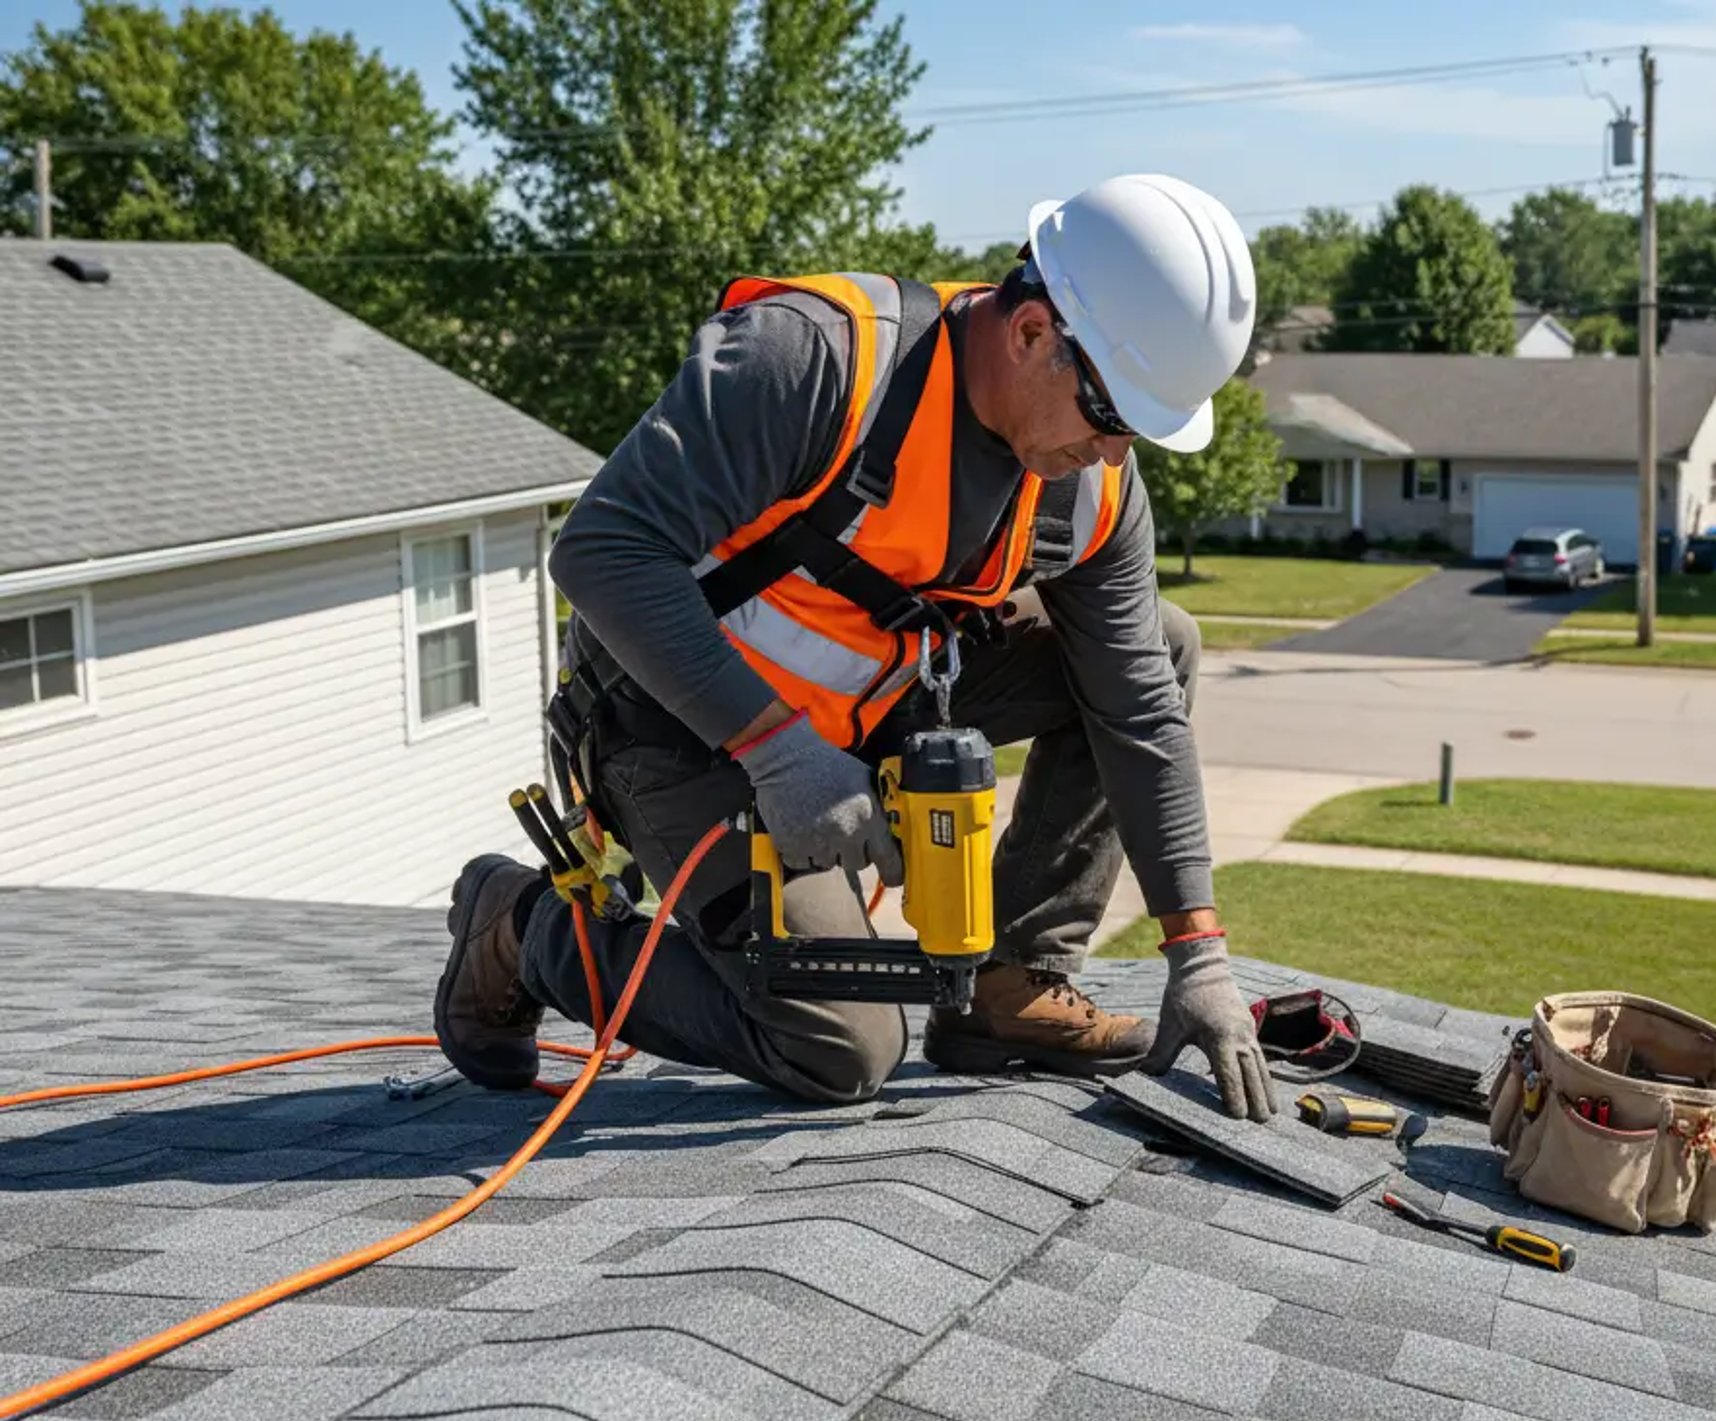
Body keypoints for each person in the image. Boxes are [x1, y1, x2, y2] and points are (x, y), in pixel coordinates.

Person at [433, 172, 1277, 1121]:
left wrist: (1196, 950)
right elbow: (600, 552)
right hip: (677, 722)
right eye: (1112, 416)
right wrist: (776, 749)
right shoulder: (815, 363)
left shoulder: (1092, 488)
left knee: (1159, 645)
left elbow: (1140, 712)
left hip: (868, 710)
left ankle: (1011, 984)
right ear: (1034, 332)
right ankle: (521, 927)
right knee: (841, 1047)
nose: (1116, 455)